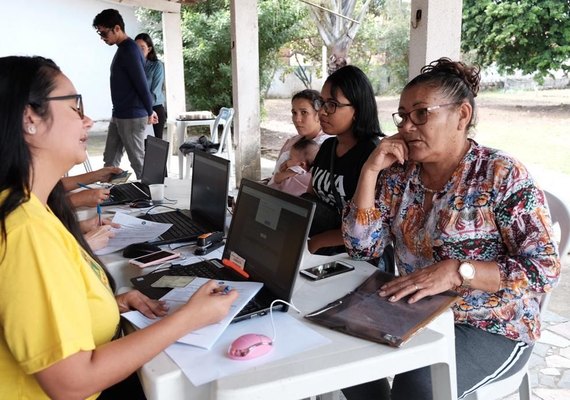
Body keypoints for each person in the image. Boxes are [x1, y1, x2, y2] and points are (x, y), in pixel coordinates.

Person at [0, 55, 237, 400]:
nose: (87, 120)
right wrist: (188, 319)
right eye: (74, 107)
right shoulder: (24, 231)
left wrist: (112, 304)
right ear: (29, 119)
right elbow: (72, 383)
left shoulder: (28, 207)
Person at [342, 58, 560, 399]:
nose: (407, 127)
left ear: (462, 115)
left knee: (419, 386)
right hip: (417, 311)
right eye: (402, 116)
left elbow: (544, 270)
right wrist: (369, 172)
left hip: (493, 325)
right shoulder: (399, 177)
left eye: (421, 114)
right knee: (342, 354)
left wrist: (460, 271)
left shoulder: (500, 175)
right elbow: (362, 249)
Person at [305, 65, 384, 255]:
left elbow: (376, 225)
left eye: (332, 104)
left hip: (354, 255)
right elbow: (311, 196)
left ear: (357, 109)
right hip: (319, 249)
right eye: (322, 103)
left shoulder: (374, 156)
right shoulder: (327, 147)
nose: (322, 112)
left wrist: (317, 242)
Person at [93, 9, 158, 179]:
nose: (102, 37)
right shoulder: (123, 49)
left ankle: (151, 197)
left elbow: (141, 83)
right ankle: (108, 194)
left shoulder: (129, 49)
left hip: (131, 115)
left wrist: (150, 110)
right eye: (100, 33)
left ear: (116, 28)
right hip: (120, 114)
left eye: (104, 33)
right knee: (110, 160)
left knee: (138, 160)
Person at [270, 89, 329, 182]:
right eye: (294, 113)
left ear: (318, 115)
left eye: (304, 112)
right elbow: (274, 176)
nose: (297, 119)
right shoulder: (291, 143)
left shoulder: (325, 147)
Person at [135, 33, 167, 139]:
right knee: (139, 148)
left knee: (154, 147)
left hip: (154, 110)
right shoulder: (132, 66)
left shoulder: (157, 66)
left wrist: (148, 110)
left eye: (142, 47)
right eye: (136, 47)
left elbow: (155, 92)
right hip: (137, 110)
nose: (138, 50)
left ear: (149, 49)